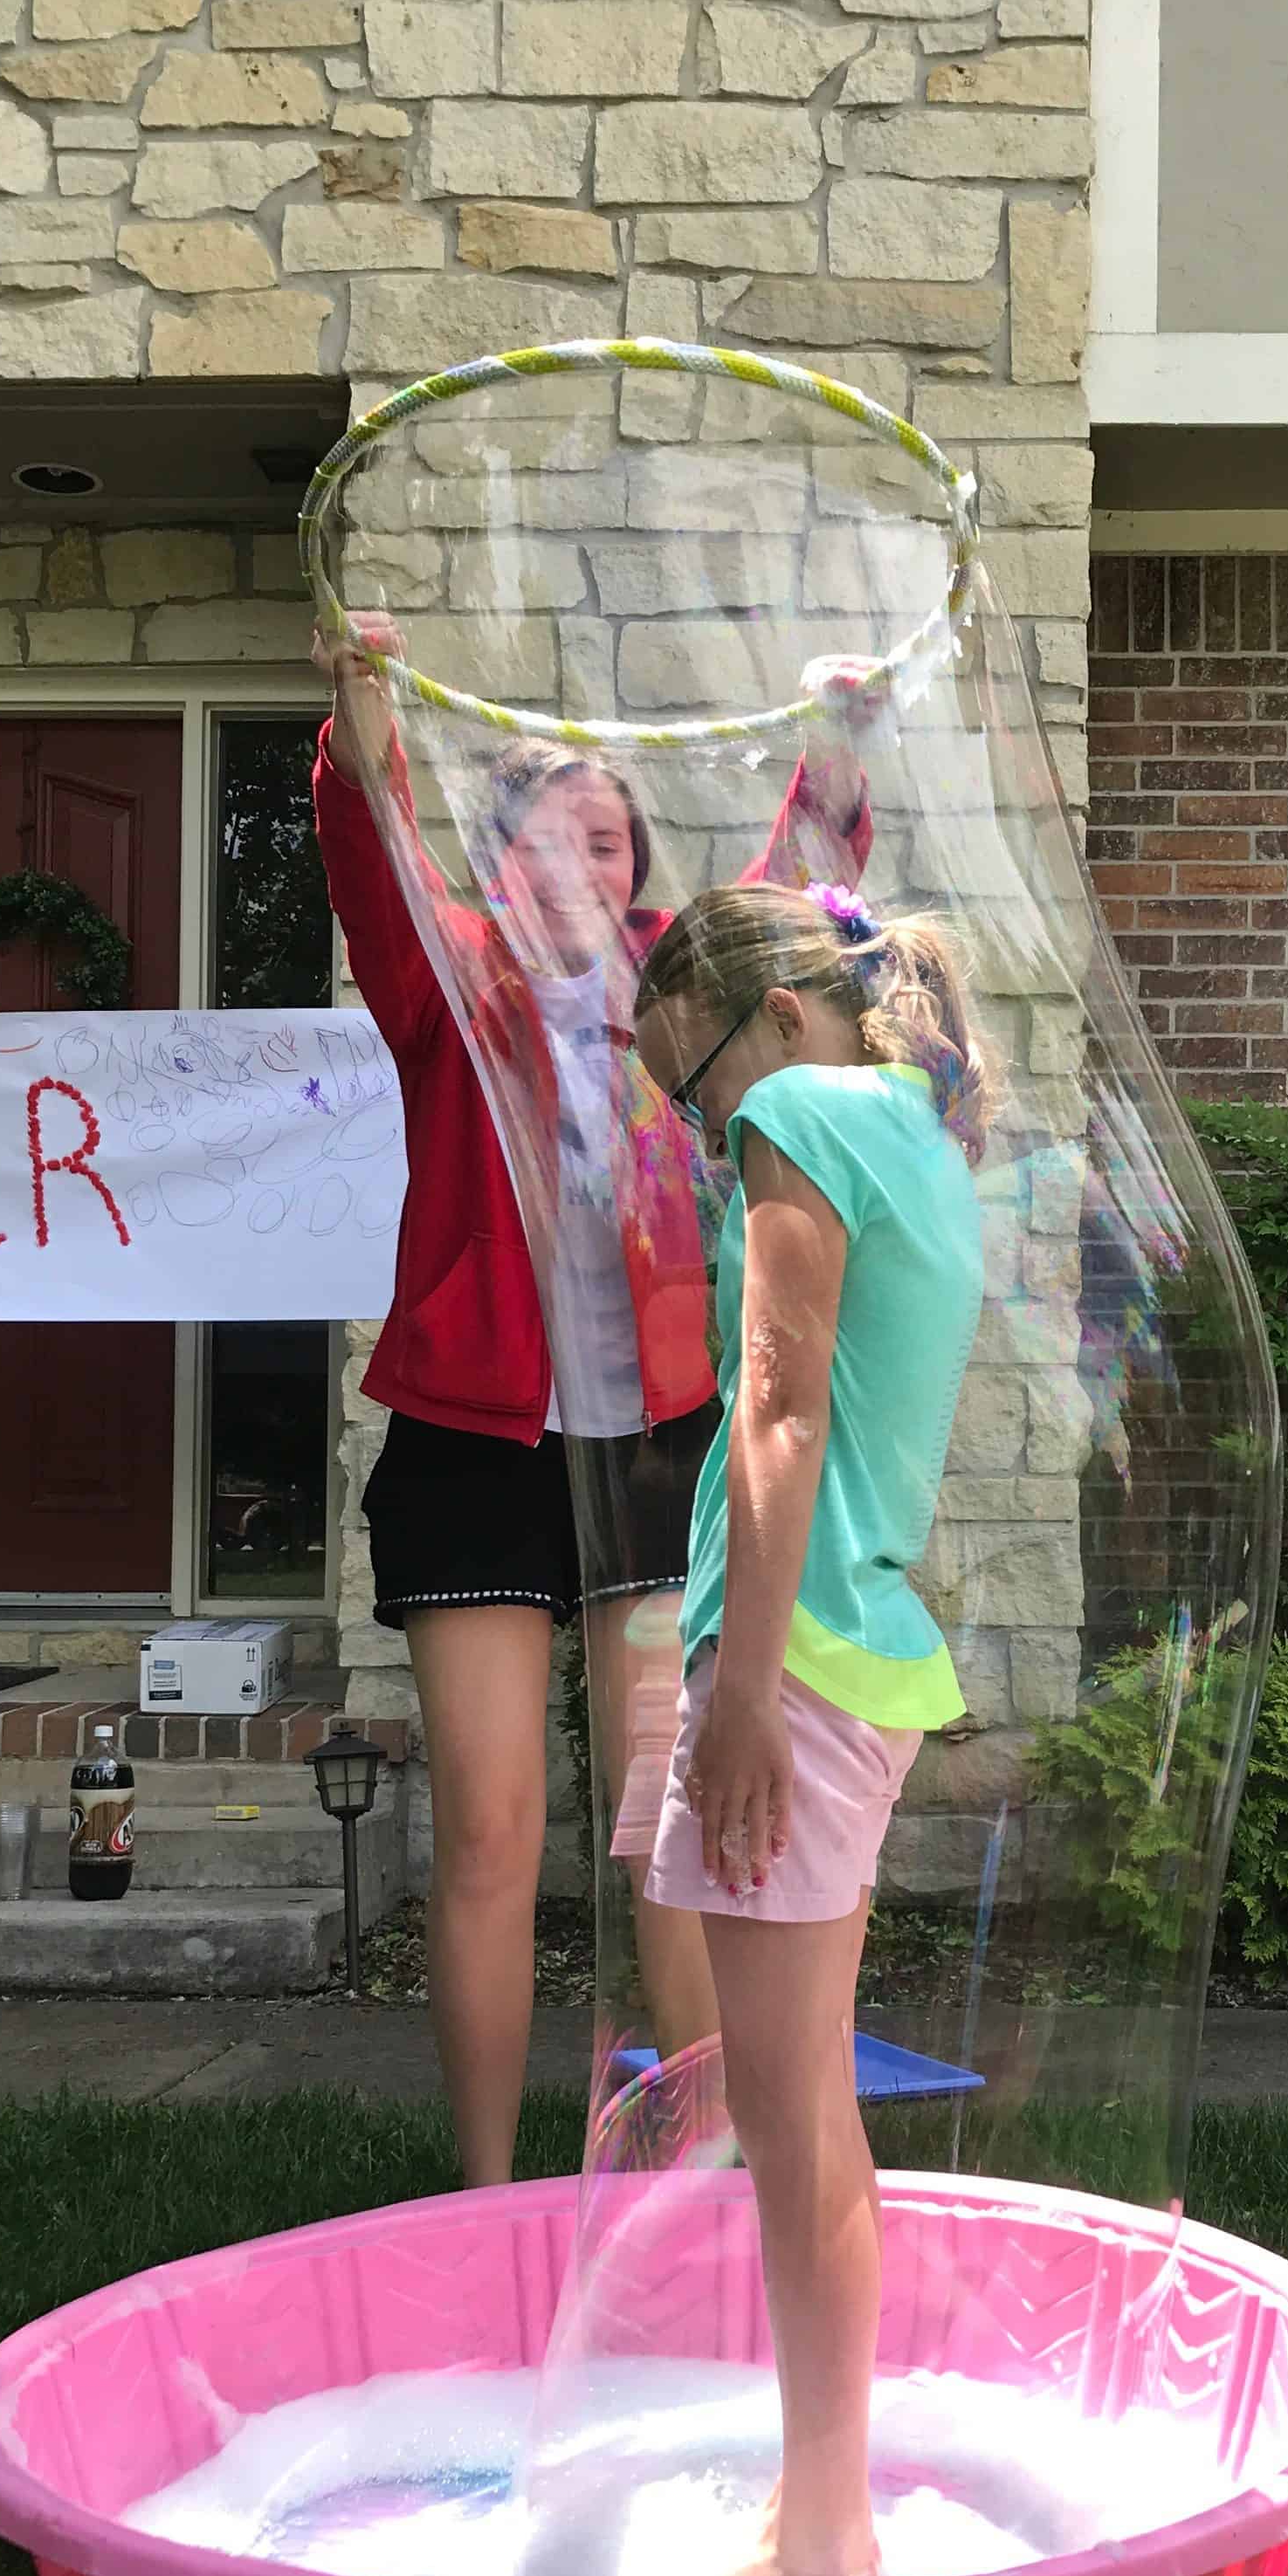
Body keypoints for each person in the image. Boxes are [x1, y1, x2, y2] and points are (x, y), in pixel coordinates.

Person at [310, 619, 872, 2185]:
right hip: (474, 1454)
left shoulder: (672, 996)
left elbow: (794, 905)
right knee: (492, 1836)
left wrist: (836, 753)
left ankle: (695, 2176)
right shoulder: (450, 977)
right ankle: (486, 2197)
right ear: (500, 856)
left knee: (668, 1834)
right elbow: (370, 844)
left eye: (614, 812)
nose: (597, 820)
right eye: (559, 807)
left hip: (648, 1459)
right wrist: (360, 708)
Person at [629, 878, 989, 2576]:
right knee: (792, 2096)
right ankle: (818, 2500)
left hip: (801, 1657)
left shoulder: (794, 1107)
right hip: (860, 1653)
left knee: (797, 2123)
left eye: (685, 1090)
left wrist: (749, 1695)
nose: (699, 1132)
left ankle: (824, 2529)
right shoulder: (911, 1122)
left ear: (772, 1021)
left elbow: (778, 1402)